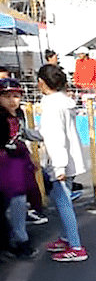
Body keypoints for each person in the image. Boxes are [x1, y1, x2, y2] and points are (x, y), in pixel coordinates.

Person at [36, 64, 89, 262]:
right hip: (69, 159)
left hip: (61, 162)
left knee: (63, 204)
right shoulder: (64, 102)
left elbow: (55, 136)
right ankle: (66, 238)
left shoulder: (51, 105)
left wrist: (58, 166)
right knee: (63, 203)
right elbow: (52, 133)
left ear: (42, 82)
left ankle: (75, 246)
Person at [0, 78, 41, 259]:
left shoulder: (20, 115)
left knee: (19, 200)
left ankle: (20, 239)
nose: (12, 100)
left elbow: (23, 135)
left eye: (16, 96)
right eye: (6, 96)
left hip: (17, 163)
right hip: (3, 162)